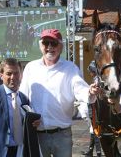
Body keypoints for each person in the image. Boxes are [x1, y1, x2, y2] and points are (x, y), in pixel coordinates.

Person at [19, 29, 99, 157]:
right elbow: (22, 98)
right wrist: (28, 118)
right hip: (37, 134)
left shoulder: (70, 68)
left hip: (62, 135)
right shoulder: (30, 68)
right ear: (40, 45)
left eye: (54, 43)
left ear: (61, 46)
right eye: (46, 43)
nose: (49, 47)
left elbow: (80, 89)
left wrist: (90, 91)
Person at [0, 58, 40, 157]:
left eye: (16, 73)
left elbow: (24, 123)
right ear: (1, 75)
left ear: (21, 75)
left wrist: (34, 123)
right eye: (9, 73)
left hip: (20, 151)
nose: (13, 77)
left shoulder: (23, 98)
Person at [81, 61, 102, 157]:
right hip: (94, 107)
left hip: (96, 108)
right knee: (93, 130)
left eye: (90, 70)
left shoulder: (98, 79)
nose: (89, 73)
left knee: (95, 130)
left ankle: (97, 152)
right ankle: (91, 151)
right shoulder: (97, 79)